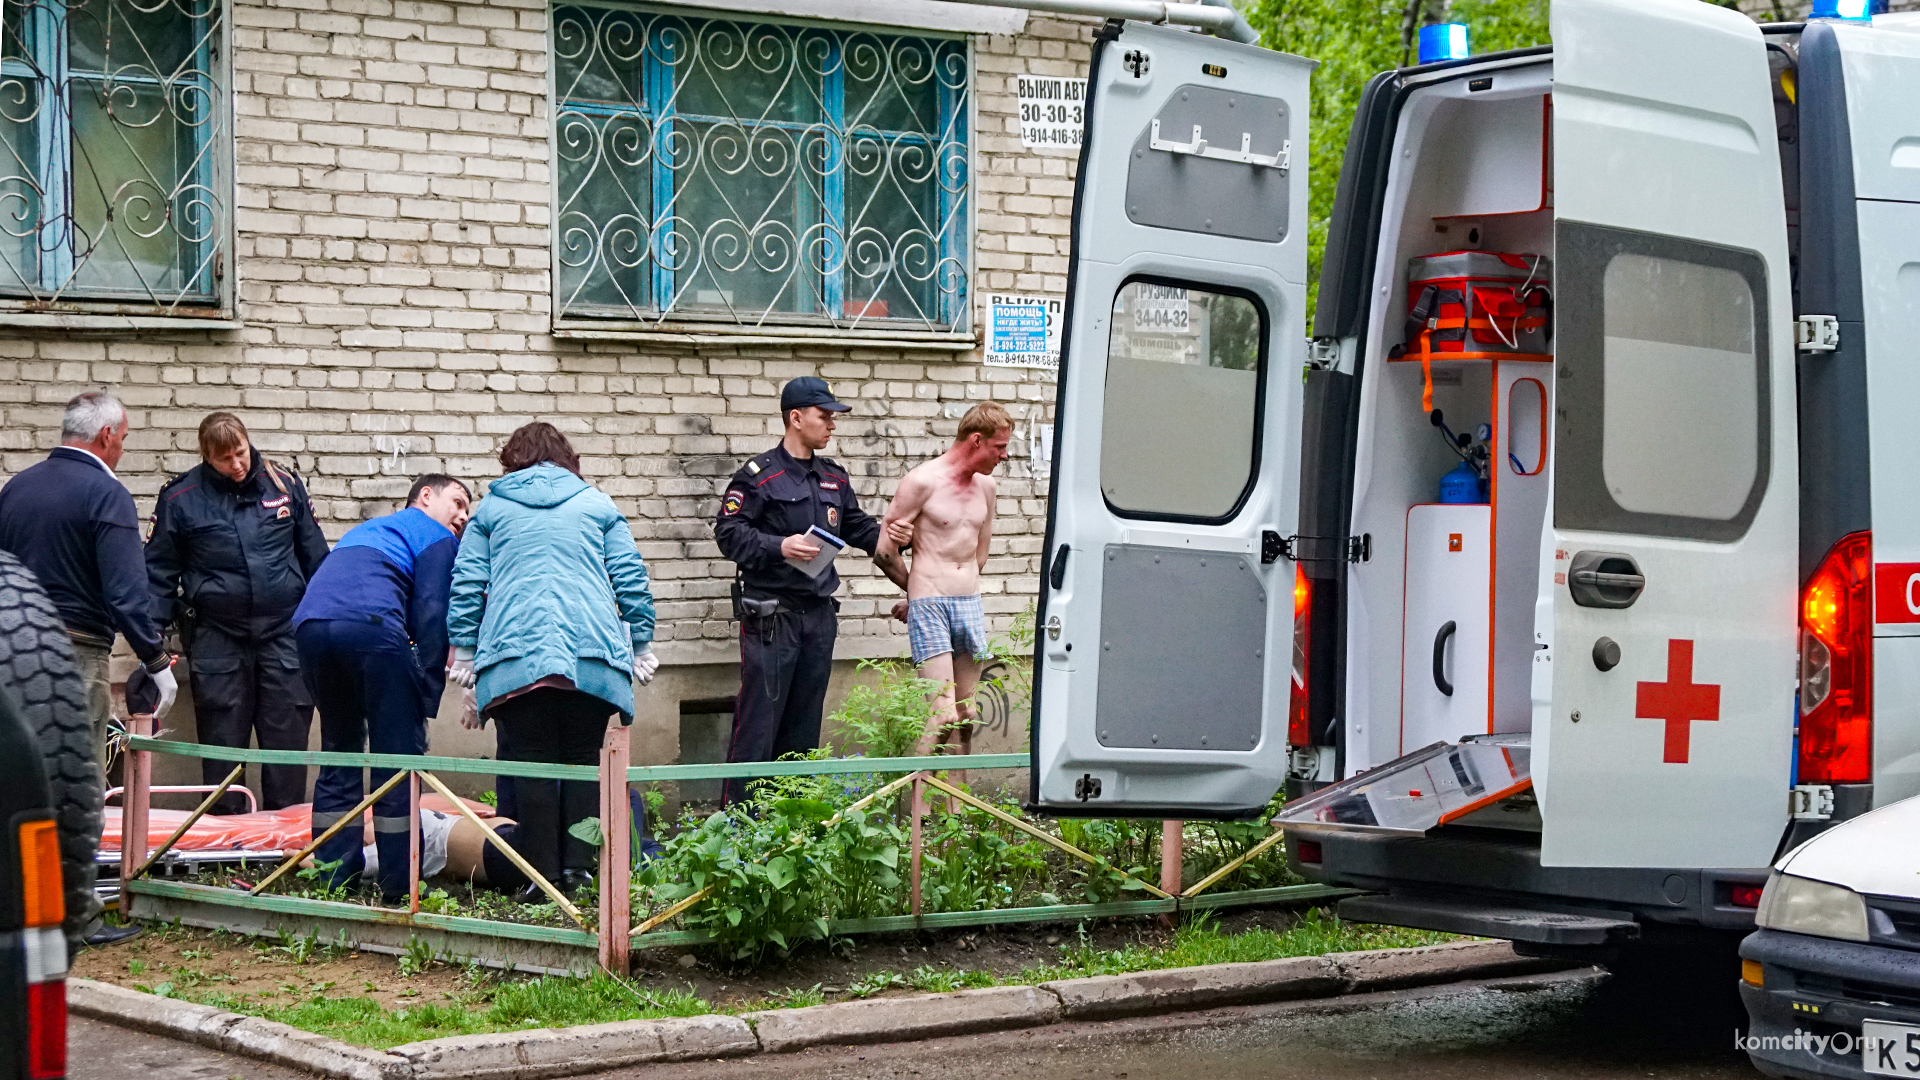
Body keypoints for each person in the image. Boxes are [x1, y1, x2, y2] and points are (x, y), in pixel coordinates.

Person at [445, 423, 657, 901]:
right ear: (567, 458)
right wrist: (641, 643)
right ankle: (580, 873)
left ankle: (538, 880)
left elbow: (466, 582)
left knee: (532, 764)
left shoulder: (493, 509)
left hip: (515, 657)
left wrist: (464, 651)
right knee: (584, 762)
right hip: (590, 658)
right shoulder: (597, 504)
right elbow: (630, 577)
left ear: (512, 460)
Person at [0, 390, 176, 946]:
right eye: (123, 439)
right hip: (72, 656)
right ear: (105, 436)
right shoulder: (107, 493)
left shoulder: (17, 489)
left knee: (16, 784)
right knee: (74, 786)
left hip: (9, 654)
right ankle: (75, 920)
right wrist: (155, 660)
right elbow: (127, 592)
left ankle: (18, 910)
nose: (122, 449)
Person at [713, 377, 895, 807]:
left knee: (804, 725)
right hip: (772, 620)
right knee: (759, 724)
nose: (832, 425)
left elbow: (855, 526)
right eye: (824, 416)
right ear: (795, 418)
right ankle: (740, 824)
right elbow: (729, 533)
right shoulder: (759, 476)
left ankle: (792, 821)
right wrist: (780, 546)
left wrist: (895, 535)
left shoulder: (833, 477)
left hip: (817, 617)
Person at [290, 474, 471, 903]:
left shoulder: (366, 531)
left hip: (310, 628)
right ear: (425, 496)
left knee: (340, 749)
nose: (463, 516)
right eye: (458, 502)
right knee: (397, 763)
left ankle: (334, 878)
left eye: (468, 511)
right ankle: (398, 886)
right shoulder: (434, 535)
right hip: (372, 630)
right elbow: (431, 612)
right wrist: (425, 697)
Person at [145, 413, 329, 813]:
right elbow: (158, 573)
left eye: (241, 453)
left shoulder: (285, 484)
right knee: (222, 742)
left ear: (249, 442)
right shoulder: (180, 498)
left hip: (284, 634)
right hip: (218, 636)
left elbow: (316, 558)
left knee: (287, 741)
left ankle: (286, 839)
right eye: (225, 458)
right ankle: (226, 845)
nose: (237, 465)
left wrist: (328, 626)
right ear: (206, 456)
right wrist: (150, 644)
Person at [874, 402, 1013, 756]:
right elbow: (885, 552)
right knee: (942, 717)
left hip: (969, 601)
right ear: (976, 440)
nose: (1005, 455)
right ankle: (916, 809)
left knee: (966, 716)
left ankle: (956, 809)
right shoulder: (922, 482)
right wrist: (919, 594)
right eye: (1000, 447)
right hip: (931, 604)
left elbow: (979, 554)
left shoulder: (987, 487)